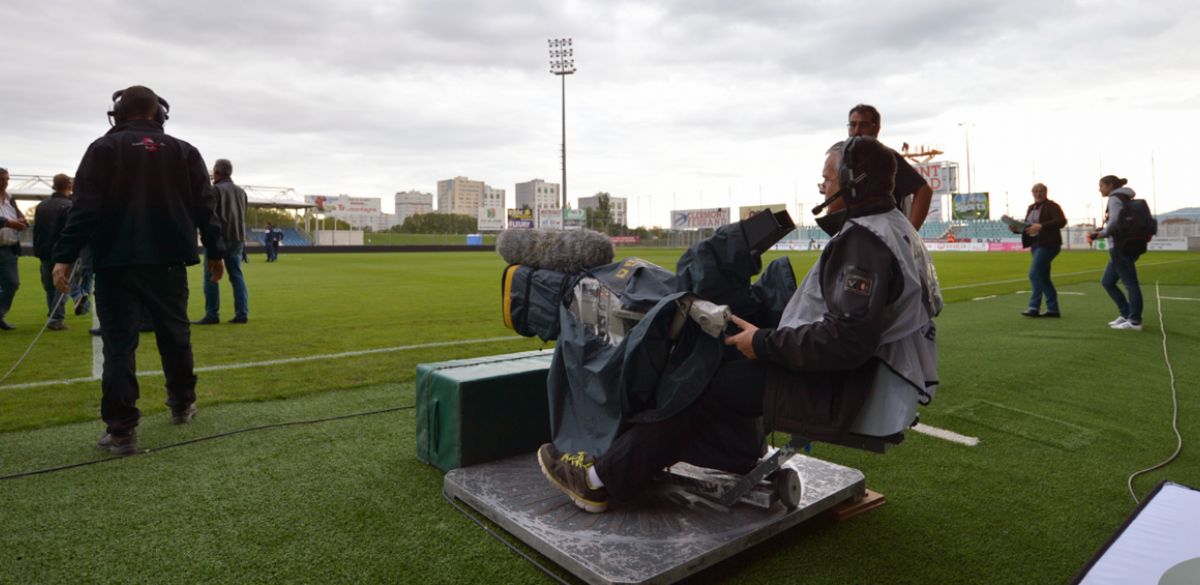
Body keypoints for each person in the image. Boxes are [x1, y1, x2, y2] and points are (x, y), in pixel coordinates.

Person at [537, 137, 941, 512]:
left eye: (828, 178)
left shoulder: (862, 241)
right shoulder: (896, 228)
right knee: (721, 374)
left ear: (853, 183)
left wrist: (762, 343)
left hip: (844, 385)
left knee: (697, 382)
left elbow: (846, 339)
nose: (821, 187)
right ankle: (667, 459)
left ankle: (599, 479)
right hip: (869, 377)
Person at [52, 85, 225, 456]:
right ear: (159, 114)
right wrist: (216, 251)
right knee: (175, 336)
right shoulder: (185, 151)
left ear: (117, 114)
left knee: (119, 346)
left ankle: (122, 431)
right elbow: (205, 208)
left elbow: (84, 210)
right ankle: (182, 404)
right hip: (169, 262)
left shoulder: (102, 149)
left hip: (116, 264)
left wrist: (64, 255)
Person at [847, 104, 935, 230]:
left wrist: (911, 233)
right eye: (852, 125)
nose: (856, 131)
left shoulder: (884, 156)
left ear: (876, 129)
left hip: (883, 234)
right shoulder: (845, 157)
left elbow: (924, 190)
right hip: (855, 231)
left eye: (863, 125)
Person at [196, 158, 249, 325]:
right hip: (238, 238)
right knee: (236, 275)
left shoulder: (214, 190)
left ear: (217, 172)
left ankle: (212, 314)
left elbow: (210, 216)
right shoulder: (241, 192)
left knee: (211, 276)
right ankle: (242, 313)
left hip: (220, 238)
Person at [1087, 175, 1144, 331]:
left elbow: (1114, 222)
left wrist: (1101, 234)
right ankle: (1126, 314)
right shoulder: (1125, 197)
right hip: (1128, 244)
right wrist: (1103, 231)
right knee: (1107, 281)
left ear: (1110, 185)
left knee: (1130, 283)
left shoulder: (1114, 198)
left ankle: (1135, 321)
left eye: (1101, 185)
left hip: (1121, 246)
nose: (1100, 189)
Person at [1015, 183, 1066, 318]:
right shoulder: (1031, 207)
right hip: (1035, 244)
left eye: (1041, 191)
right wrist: (1016, 228)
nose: (1038, 194)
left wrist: (1041, 226)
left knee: (1034, 274)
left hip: (1049, 244)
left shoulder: (1052, 206)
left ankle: (1033, 307)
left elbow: (1061, 221)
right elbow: (1028, 227)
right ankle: (1053, 309)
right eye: (1036, 191)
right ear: (1032, 193)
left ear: (1046, 192)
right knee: (1043, 277)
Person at [32, 174, 75, 330]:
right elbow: (69, 232)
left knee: (50, 285)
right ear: (69, 185)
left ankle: (53, 313)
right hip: (61, 253)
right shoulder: (69, 205)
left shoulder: (42, 205)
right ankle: (56, 318)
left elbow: (36, 230)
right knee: (62, 284)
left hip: (44, 251)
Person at [0, 167, 28, 331]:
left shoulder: (10, 198)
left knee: (12, 284)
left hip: (8, 249)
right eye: (1, 179)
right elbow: (6, 220)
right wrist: (8, 223)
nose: (5, 183)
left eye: (7, 179)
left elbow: (19, 217)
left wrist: (23, 222)